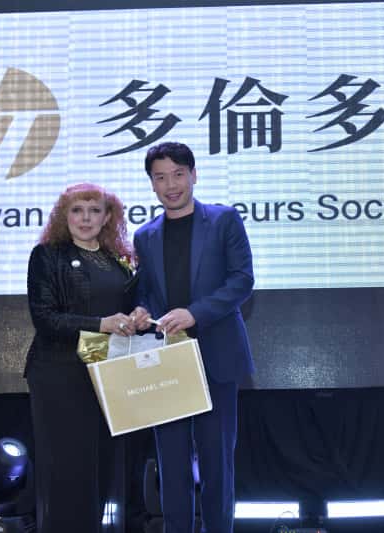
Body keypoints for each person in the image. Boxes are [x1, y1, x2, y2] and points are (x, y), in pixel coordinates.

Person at [131, 142, 255, 533]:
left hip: (217, 356)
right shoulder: (144, 236)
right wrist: (141, 310)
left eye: (178, 174)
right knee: (171, 465)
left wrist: (194, 313)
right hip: (167, 361)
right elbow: (146, 291)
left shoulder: (224, 220)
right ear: (152, 184)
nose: (171, 185)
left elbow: (242, 280)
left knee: (217, 463)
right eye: (160, 177)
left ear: (194, 175)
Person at [25, 182, 150, 533]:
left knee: (103, 467)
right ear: (63, 216)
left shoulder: (118, 259)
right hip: (60, 374)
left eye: (95, 210)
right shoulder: (47, 255)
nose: (86, 218)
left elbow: (130, 306)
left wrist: (139, 314)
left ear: (108, 217)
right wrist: (101, 324)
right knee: (69, 469)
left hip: (109, 374)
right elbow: (45, 318)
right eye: (77, 210)